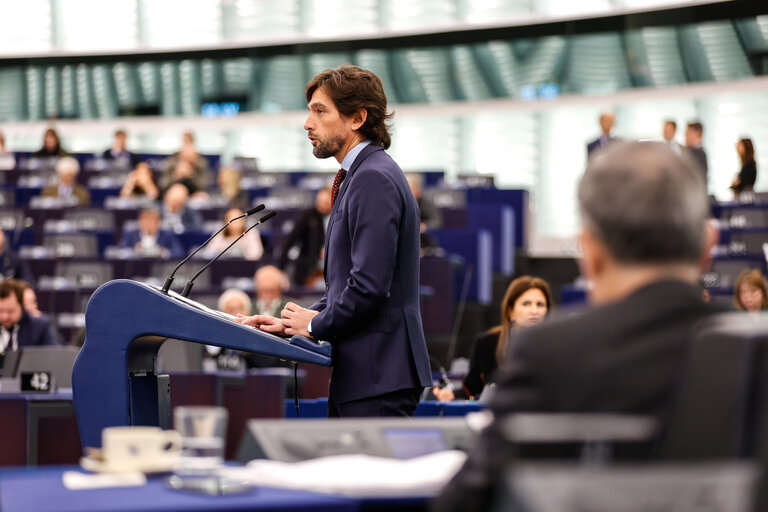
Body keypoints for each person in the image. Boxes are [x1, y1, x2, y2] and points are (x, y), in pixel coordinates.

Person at [434, 140, 721, 512]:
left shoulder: (549, 354)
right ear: (708, 247)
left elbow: (466, 501)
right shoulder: (753, 351)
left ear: (590, 253)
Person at [236, 65, 432, 417]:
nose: (307, 123)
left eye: (320, 111)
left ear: (357, 118)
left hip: (379, 373)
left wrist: (313, 325)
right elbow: (349, 284)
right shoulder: (361, 175)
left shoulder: (373, 178)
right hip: (368, 373)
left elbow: (369, 286)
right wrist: (296, 323)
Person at [432, 276, 552, 402]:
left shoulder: (558, 345)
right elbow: (471, 391)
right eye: (526, 304)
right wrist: (448, 395)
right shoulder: (487, 343)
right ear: (511, 311)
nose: (534, 311)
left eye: (540, 305)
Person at [0, 279, 61, 369]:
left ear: (22, 305)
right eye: (0, 311)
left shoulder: (39, 327)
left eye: (10, 311)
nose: (5, 317)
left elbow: (56, 358)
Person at [277, 187, 332, 286]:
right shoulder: (309, 215)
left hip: (331, 268)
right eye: (319, 201)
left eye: (325, 202)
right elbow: (291, 240)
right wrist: (280, 269)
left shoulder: (338, 217)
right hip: (308, 269)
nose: (321, 205)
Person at [119, 207, 184, 259]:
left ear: (157, 223)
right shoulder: (131, 234)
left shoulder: (167, 234)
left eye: (151, 222)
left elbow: (179, 252)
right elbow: (120, 251)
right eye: (145, 221)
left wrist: (163, 252)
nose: (148, 224)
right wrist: (133, 251)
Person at [685, 121, 708, 187]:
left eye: (688, 133)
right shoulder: (689, 151)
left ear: (697, 134)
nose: (686, 136)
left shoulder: (698, 154)